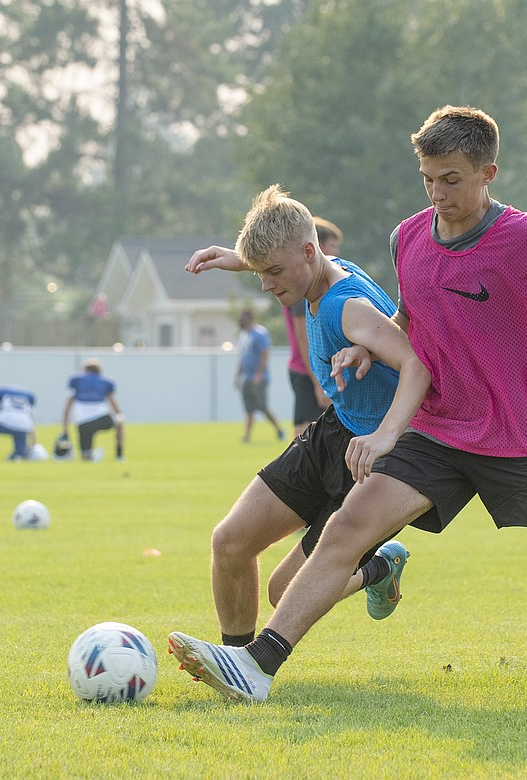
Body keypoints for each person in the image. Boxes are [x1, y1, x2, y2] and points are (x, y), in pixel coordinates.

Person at [169, 105, 527, 702]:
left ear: (488, 173)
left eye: (452, 179)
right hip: (438, 429)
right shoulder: (408, 237)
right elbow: (415, 313)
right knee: (345, 530)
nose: (438, 193)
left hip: (521, 435)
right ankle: (255, 668)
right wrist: (370, 347)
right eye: (429, 179)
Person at [181, 185, 433, 658]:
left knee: (284, 594)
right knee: (230, 542)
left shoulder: (348, 307)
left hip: (378, 457)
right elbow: (287, 256)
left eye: (272, 272)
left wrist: (386, 435)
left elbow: (418, 365)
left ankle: (379, 569)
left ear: (309, 252)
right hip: (334, 432)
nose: (267, 284)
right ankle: (236, 661)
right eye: (260, 272)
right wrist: (237, 257)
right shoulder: (321, 269)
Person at [282, 217, 340, 436]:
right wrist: (318, 383)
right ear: (317, 247)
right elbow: (302, 338)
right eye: (333, 246)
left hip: (314, 370)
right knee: (306, 441)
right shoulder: (304, 284)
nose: (337, 252)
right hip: (308, 372)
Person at [235, 309, 285, 443]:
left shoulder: (260, 333)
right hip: (247, 378)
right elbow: (243, 357)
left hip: (259, 378)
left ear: (249, 318)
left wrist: (259, 374)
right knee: (249, 408)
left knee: (262, 407)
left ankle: (279, 429)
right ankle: (247, 436)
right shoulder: (243, 335)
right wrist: (238, 376)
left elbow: (264, 353)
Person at [61, 359, 125, 461]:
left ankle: (92, 456)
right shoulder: (105, 381)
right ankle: (120, 455)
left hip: (82, 422)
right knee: (120, 421)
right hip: (101, 418)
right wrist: (119, 414)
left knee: (85, 458)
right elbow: (113, 402)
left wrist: (65, 428)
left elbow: (68, 406)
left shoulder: (76, 380)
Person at [0, 385, 38, 461]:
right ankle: (20, 454)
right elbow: (31, 420)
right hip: (23, 426)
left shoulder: (2, 394)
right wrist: (34, 444)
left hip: (5, 422)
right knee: (19, 455)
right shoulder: (27, 398)